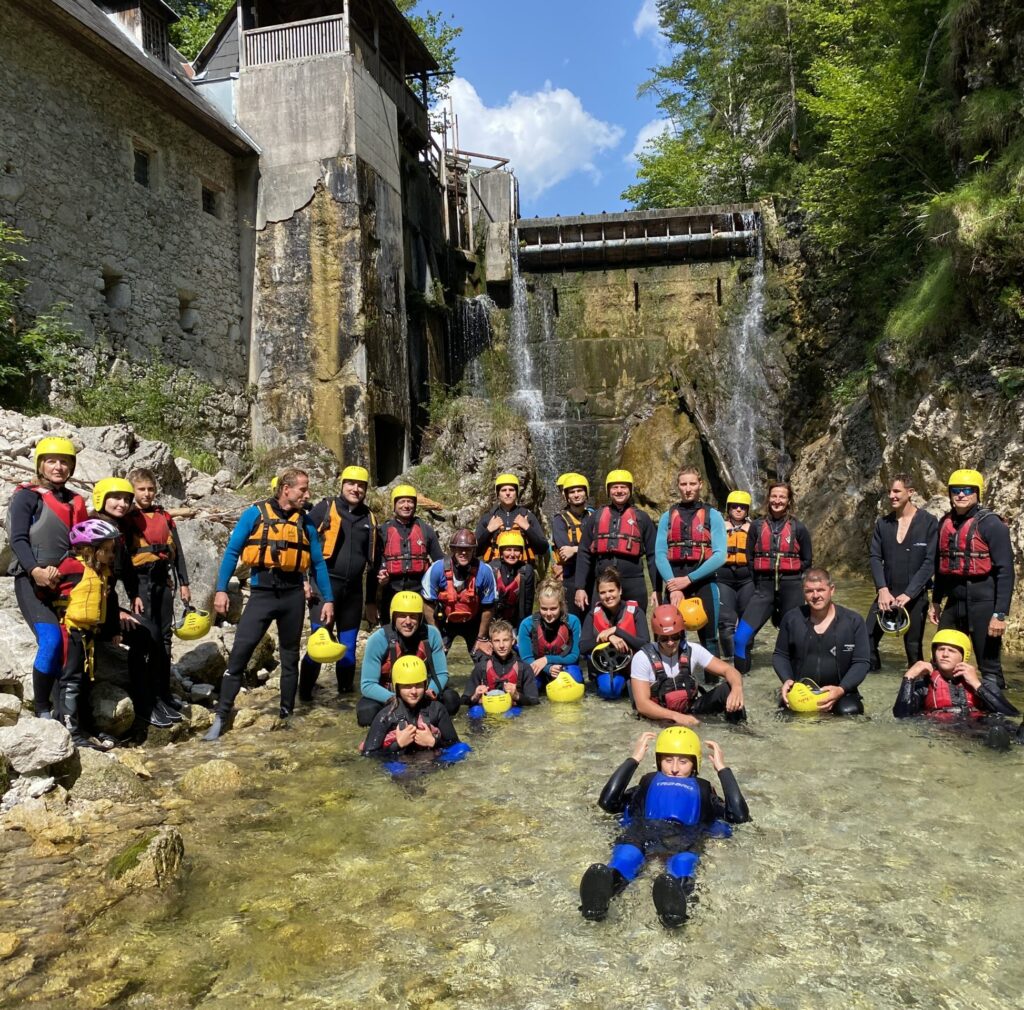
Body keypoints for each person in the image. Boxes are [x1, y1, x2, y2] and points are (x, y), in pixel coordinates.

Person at [206, 469, 334, 740]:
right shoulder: (255, 514)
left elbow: (319, 564)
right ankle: (221, 715)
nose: (307, 494)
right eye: (303, 489)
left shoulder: (306, 522)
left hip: (292, 597)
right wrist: (221, 590)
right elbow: (232, 552)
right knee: (241, 651)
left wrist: (329, 599)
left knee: (290, 659)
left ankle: (287, 714)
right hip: (262, 593)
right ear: (285, 489)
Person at [578, 726, 749, 928]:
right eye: (668, 760)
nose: (675, 768)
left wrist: (722, 769)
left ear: (695, 763)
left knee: (682, 864)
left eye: (683, 761)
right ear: (659, 761)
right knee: (626, 856)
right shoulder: (648, 782)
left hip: (684, 838)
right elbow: (608, 802)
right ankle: (600, 898)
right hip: (643, 832)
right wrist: (634, 759)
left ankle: (674, 911)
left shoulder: (704, 791)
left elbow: (739, 816)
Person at [8, 436, 89, 718]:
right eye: (52, 461)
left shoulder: (75, 500)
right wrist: (36, 571)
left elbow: (82, 544)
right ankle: (42, 708)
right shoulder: (26, 496)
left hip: (66, 582)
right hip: (31, 580)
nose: (59, 467)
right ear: (41, 465)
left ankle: (68, 713)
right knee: (51, 640)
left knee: (73, 644)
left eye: (65, 461)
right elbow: (17, 539)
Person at [929, 468, 1014, 690]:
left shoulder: (992, 524)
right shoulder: (945, 522)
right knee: (941, 658)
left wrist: (1000, 614)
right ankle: (944, 708)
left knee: (989, 666)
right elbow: (941, 566)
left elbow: (1006, 571)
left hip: (983, 602)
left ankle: (996, 717)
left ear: (977, 493)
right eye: (956, 490)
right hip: (954, 602)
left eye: (967, 490)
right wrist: (936, 601)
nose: (961, 495)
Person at [301, 465, 382, 698]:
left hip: (354, 591)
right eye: (351, 484)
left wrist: (371, 601)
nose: (355, 489)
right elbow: (301, 543)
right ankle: (304, 696)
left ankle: (345, 697)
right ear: (342, 485)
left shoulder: (369, 518)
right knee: (319, 644)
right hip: (324, 587)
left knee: (348, 648)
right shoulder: (325, 508)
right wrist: (303, 581)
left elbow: (374, 565)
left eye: (361, 485)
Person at [123, 467, 192, 729]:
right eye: (141, 489)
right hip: (141, 583)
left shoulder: (164, 516)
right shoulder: (128, 519)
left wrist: (184, 582)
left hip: (162, 581)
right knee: (146, 639)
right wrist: (131, 593)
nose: (147, 494)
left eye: (150, 489)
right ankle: (147, 698)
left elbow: (179, 552)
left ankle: (162, 693)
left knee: (164, 638)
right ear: (133, 491)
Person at [53, 519, 125, 749]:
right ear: (90, 549)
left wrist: (113, 629)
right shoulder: (72, 567)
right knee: (71, 680)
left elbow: (107, 602)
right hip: (71, 630)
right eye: (107, 549)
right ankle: (70, 732)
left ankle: (82, 727)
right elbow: (46, 590)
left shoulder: (101, 571)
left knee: (82, 679)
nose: (112, 554)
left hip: (87, 633)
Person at [734, 481, 812, 673]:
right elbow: (750, 558)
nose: (777, 500)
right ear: (768, 499)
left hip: (791, 589)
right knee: (740, 638)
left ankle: (795, 685)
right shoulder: (757, 526)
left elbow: (807, 560)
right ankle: (741, 686)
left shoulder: (799, 528)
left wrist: (790, 575)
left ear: (789, 501)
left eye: (782, 497)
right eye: (774, 496)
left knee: (797, 640)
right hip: (764, 590)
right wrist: (761, 581)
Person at [866, 473, 938, 671]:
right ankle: (876, 683)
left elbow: (930, 562)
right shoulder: (883, 523)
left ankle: (917, 690)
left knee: (913, 647)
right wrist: (882, 589)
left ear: (910, 492)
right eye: (889, 491)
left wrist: (909, 593)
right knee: (867, 639)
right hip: (886, 595)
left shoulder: (929, 522)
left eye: (897, 491)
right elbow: (874, 558)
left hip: (915, 596)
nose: (892, 495)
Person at [774, 568, 869, 716]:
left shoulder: (853, 621)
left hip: (841, 692)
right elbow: (780, 655)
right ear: (803, 593)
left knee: (851, 712)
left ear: (832, 590)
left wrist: (841, 689)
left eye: (820, 590)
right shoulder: (792, 619)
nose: (815, 596)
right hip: (801, 691)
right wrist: (787, 679)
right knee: (784, 715)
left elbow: (862, 662)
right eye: (809, 591)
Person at [630, 604, 745, 725]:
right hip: (660, 718)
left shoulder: (692, 650)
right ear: (656, 636)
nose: (670, 643)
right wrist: (676, 717)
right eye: (664, 638)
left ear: (681, 633)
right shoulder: (642, 658)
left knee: (728, 688)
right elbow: (642, 705)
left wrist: (737, 688)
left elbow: (729, 670)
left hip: (689, 710)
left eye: (675, 637)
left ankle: (740, 730)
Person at [357, 590, 454, 727]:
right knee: (366, 712)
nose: (408, 622)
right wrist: (394, 699)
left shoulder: (431, 635)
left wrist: (429, 692)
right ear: (393, 616)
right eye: (402, 616)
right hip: (390, 695)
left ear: (420, 618)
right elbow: (367, 685)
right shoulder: (378, 640)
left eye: (413, 616)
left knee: (451, 699)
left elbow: (441, 674)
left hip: (420, 694)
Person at [655, 467, 726, 656]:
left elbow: (720, 555)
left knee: (710, 638)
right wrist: (675, 587)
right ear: (678, 486)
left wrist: (689, 579)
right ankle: (674, 681)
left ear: (700, 485)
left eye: (692, 483)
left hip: (703, 583)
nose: (688, 488)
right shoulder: (667, 517)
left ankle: (713, 682)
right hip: (673, 583)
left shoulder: (714, 516)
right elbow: (660, 554)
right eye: (683, 484)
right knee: (669, 637)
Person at [575, 469, 659, 616]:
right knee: (600, 629)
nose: (619, 491)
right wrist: (580, 587)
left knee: (635, 628)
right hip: (603, 583)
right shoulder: (596, 517)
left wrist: (657, 589)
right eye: (614, 487)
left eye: (623, 487)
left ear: (630, 490)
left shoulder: (642, 518)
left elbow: (653, 554)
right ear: (608, 491)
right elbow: (584, 553)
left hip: (634, 583)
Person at [893, 629, 1018, 721]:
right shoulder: (925, 686)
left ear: (964, 656)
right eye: (941, 649)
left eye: (952, 651)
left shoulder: (981, 685)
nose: (945, 654)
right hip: (940, 731)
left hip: (975, 730)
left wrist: (977, 685)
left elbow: (1011, 713)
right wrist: (908, 677)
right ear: (934, 654)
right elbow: (901, 714)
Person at [361, 655, 461, 757]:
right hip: (399, 764)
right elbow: (369, 754)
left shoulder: (437, 709)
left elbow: (455, 744)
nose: (413, 691)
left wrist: (433, 742)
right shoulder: (386, 716)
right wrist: (398, 745)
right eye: (407, 686)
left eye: (418, 685)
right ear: (397, 687)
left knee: (462, 750)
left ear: (425, 684)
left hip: (429, 761)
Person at [422, 528, 496, 659]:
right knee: (433, 658)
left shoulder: (485, 571)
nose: (463, 553)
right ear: (452, 550)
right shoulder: (436, 569)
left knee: (484, 659)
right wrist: (436, 636)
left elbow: (488, 607)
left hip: (473, 622)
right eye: (459, 549)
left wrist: (481, 638)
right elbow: (427, 604)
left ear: (474, 550)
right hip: (444, 623)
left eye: (468, 549)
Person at [580, 566, 650, 698]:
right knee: (610, 691)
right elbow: (582, 647)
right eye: (603, 592)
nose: (608, 596)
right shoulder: (592, 614)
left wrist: (616, 631)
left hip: (633, 667)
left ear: (620, 590)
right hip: (606, 668)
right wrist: (607, 638)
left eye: (611, 590)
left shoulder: (635, 612)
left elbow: (646, 644)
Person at [377, 484, 442, 620]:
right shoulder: (383, 531)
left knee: (420, 630)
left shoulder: (426, 530)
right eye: (401, 501)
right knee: (390, 631)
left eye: (410, 501)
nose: (406, 505)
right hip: (391, 589)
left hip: (420, 588)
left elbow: (440, 562)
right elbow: (375, 562)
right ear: (394, 505)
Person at [463, 619, 540, 710]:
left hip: (513, 711)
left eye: (505, 640)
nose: (501, 645)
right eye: (496, 641)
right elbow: (463, 700)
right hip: (488, 711)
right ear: (491, 644)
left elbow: (535, 701)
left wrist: (517, 696)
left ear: (513, 641)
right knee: (476, 711)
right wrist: (475, 696)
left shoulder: (524, 668)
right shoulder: (481, 668)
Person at [517, 581, 583, 688]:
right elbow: (526, 658)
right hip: (537, 667)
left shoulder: (573, 621)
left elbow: (574, 656)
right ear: (539, 605)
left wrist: (547, 659)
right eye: (544, 608)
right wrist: (548, 668)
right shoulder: (526, 624)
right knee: (531, 686)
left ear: (561, 605)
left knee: (574, 680)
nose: (548, 614)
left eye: (553, 608)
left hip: (563, 665)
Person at [475, 473, 549, 564]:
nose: (508, 493)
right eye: (503, 490)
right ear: (498, 494)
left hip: (522, 569)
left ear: (516, 493)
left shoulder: (527, 516)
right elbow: (474, 551)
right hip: (495, 570)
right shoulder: (489, 518)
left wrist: (527, 528)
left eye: (511, 490)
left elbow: (543, 549)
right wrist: (488, 530)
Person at [717, 490, 755, 666]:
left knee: (747, 623)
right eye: (734, 506)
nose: (738, 510)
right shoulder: (718, 526)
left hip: (747, 579)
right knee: (725, 623)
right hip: (724, 579)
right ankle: (730, 660)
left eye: (742, 507)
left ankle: (744, 658)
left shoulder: (754, 528)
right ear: (728, 508)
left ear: (747, 510)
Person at [551, 472, 593, 620]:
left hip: (592, 574)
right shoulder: (559, 520)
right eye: (572, 492)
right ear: (567, 496)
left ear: (586, 493)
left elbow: (601, 546)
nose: (576, 495)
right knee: (572, 618)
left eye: (579, 490)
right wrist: (589, 549)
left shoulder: (594, 517)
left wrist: (575, 549)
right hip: (571, 575)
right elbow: (564, 552)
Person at [488, 529, 536, 626]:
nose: (512, 554)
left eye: (516, 550)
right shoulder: (492, 568)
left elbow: (527, 604)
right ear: (501, 552)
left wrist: (524, 627)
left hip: (516, 619)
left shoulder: (527, 571)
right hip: (494, 619)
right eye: (508, 550)